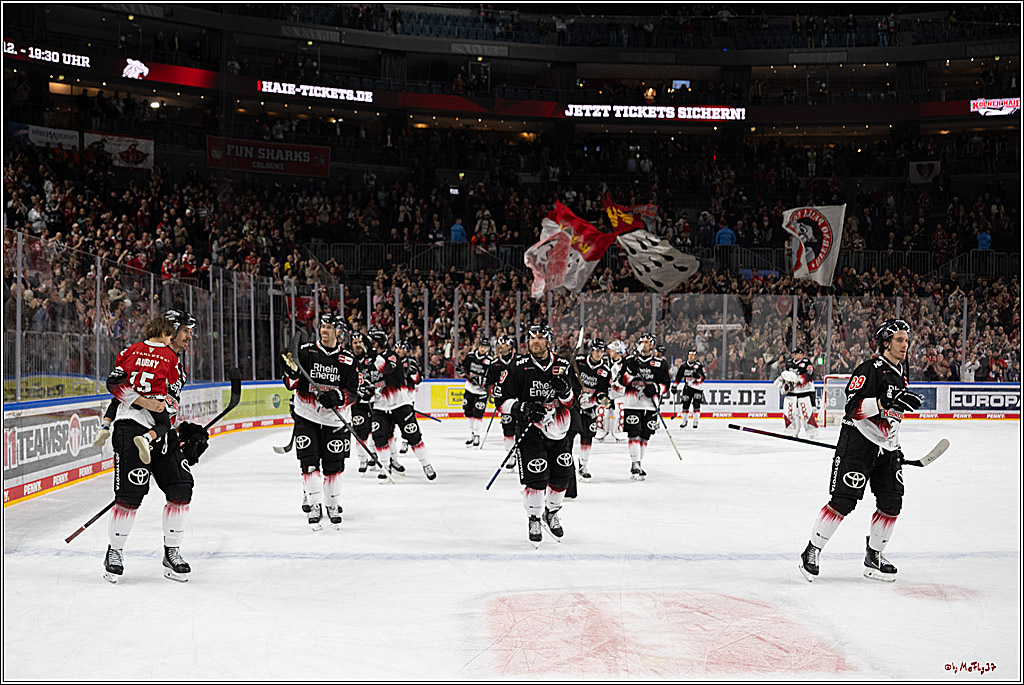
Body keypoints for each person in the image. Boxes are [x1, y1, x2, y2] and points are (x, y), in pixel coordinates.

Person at [799, 319, 923, 583]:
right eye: (899, 340)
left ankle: (873, 556)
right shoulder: (869, 369)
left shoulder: (901, 371)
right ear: (886, 342)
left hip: (886, 449)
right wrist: (882, 400)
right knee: (844, 501)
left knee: (892, 502)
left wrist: (895, 446)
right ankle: (812, 550)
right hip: (857, 443)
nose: (905, 345)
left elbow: (893, 417)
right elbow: (852, 408)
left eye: (906, 340)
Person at [101, 316, 195, 583]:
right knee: (131, 493)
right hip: (131, 427)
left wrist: (183, 434)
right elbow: (116, 390)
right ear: (169, 332)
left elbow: (168, 404)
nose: (188, 337)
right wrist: (135, 407)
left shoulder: (169, 361)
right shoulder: (156, 356)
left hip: (161, 433)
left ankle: (172, 552)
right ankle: (115, 552)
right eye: (185, 331)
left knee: (181, 485)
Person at [498, 323, 580, 546]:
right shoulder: (517, 366)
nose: (535, 341)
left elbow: (572, 402)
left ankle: (551, 512)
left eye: (540, 337)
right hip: (530, 431)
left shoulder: (563, 365)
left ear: (548, 341)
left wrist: (565, 391)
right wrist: (521, 408)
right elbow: (500, 402)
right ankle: (534, 518)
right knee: (537, 478)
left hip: (559, 430)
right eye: (532, 337)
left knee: (562, 476)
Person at [282, 313, 360, 530]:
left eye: (329, 327)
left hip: (336, 421)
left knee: (334, 466)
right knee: (309, 462)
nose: (324, 330)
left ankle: (332, 504)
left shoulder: (348, 359)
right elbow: (291, 383)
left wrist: (337, 397)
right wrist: (291, 372)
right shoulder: (306, 352)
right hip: (307, 416)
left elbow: (354, 392)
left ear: (339, 332)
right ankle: (315, 504)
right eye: (322, 326)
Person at [373, 336, 437, 480]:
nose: (399, 350)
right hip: (380, 405)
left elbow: (415, 379)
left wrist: (414, 373)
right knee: (381, 436)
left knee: (413, 434)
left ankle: (426, 464)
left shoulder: (393, 358)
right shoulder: (366, 360)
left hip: (401, 402)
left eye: (402, 348)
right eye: (398, 347)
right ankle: (387, 464)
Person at [619, 333, 670, 481]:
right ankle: (635, 463)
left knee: (645, 435)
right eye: (641, 341)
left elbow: (666, 384)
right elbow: (621, 382)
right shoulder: (629, 361)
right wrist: (630, 372)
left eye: (647, 342)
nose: (643, 344)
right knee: (633, 433)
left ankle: (639, 463)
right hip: (632, 403)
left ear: (652, 345)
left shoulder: (660, 363)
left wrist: (655, 388)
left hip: (650, 405)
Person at [573, 338, 612, 480]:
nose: (598, 354)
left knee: (587, 436)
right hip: (574, 406)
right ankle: (565, 463)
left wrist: (598, 399)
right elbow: (569, 377)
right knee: (568, 436)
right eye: (596, 350)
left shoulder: (605, 371)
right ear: (591, 349)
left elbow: (602, 390)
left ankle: (583, 465)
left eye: (601, 351)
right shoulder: (578, 361)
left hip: (589, 408)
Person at [485, 334, 519, 460]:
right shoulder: (494, 364)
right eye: (499, 343)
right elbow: (488, 383)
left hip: (521, 399)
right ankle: (510, 456)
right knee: (508, 428)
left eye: (503, 343)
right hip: (505, 402)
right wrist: (493, 390)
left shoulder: (520, 361)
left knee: (522, 427)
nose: (500, 346)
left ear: (510, 346)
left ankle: (523, 453)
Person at [774, 347, 820, 437]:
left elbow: (810, 375)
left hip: (804, 392)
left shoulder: (807, 363)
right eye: (794, 353)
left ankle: (811, 432)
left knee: (806, 413)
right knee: (789, 412)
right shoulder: (789, 363)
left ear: (802, 354)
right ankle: (791, 431)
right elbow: (786, 376)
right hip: (792, 393)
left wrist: (797, 379)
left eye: (797, 353)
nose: (794, 355)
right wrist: (784, 384)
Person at [348, 331, 377, 475]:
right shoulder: (348, 359)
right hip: (357, 401)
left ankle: (374, 453)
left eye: (360, 342)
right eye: (355, 343)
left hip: (373, 400)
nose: (358, 345)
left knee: (375, 429)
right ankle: (363, 460)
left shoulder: (371, 357)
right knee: (360, 431)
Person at [461, 339, 491, 447]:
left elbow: (491, 377)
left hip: (481, 392)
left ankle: (477, 435)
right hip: (469, 388)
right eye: (482, 346)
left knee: (478, 412)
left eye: (485, 347)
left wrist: (482, 381)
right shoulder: (470, 356)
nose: (483, 349)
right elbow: (464, 369)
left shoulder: (489, 361)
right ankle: (472, 434)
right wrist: (462, 372)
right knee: (468, 411)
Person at [596, 340, 628, 442]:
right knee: (602, 411)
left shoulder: (625, 364)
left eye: (612, 350)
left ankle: (619, 433)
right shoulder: (604, 362)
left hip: (619, 394)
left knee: (619, 411)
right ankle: (601, 432)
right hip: (606, 393)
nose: (609, 351)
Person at [673, 348, 706, 429]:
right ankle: (684, 421)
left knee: (696, 404)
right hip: (688, 387)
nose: (690, 357)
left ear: (695, 356)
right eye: (689, 355)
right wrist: (674, 386)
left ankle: (695, 421)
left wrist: (698, 377)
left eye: (692, 355)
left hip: (698, 388)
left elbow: (704, 377)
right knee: (685, 404)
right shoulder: (684, 366)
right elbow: (678, 377)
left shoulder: (699, 365)